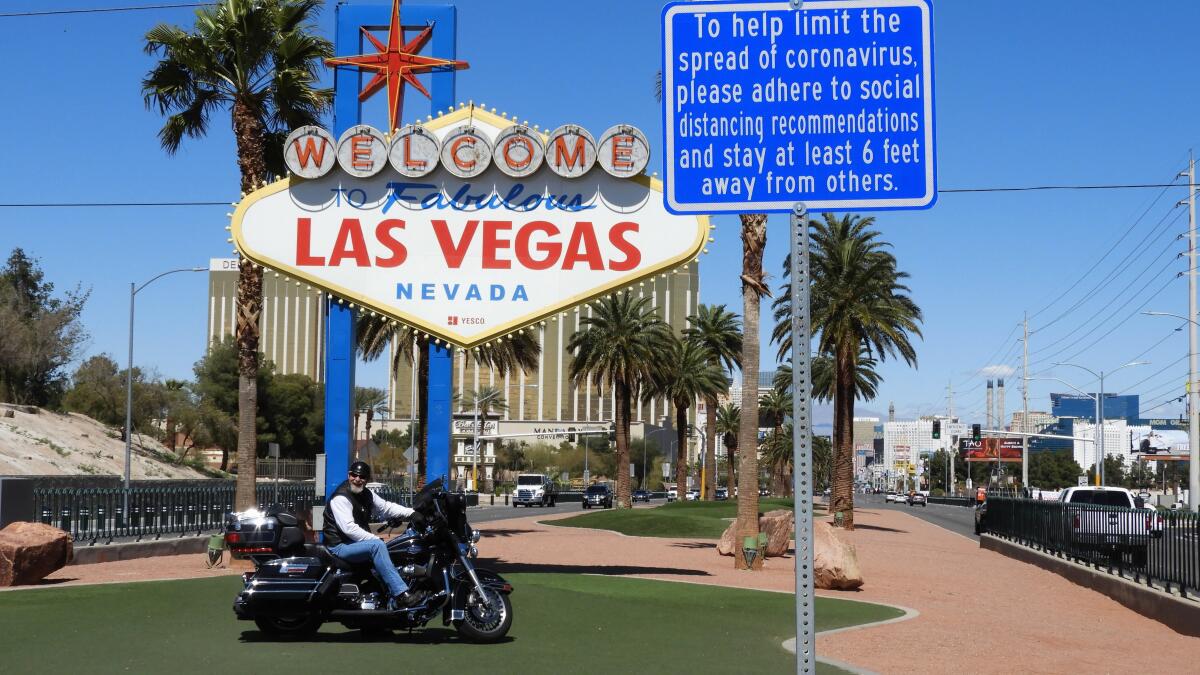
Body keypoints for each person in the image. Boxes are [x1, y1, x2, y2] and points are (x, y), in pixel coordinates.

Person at [323, 461, 424, 610]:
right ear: (349, 475)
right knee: (377, 546)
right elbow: (349, 529)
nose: (357, 479)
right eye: (354, 475)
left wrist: (412, 513)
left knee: (388, 547)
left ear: (367, 479)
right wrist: (375, 539)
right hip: (339, 546)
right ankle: (402, 595)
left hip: (352, 544)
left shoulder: (366, 494)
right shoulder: (341, 497)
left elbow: (386, 508)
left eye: (362, 476)